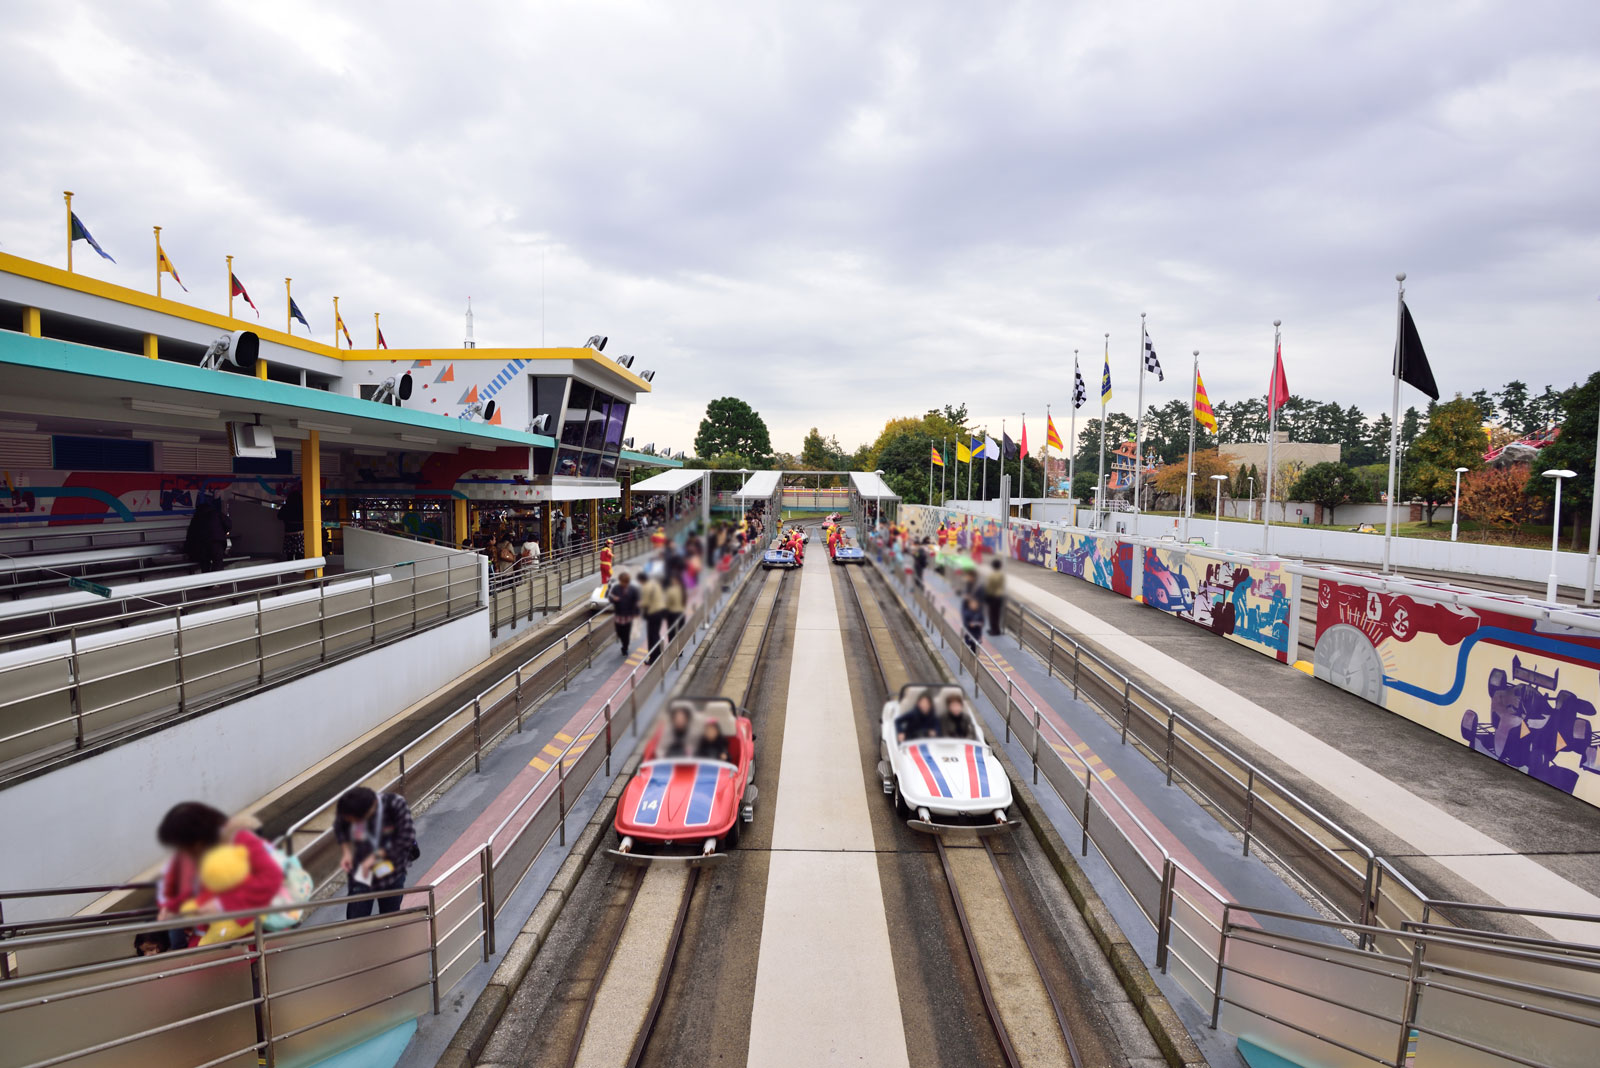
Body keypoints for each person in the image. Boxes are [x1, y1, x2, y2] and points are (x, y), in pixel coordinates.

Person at [156, 802, 284, 948]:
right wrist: (172, 909)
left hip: (250, 932)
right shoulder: (195, 853)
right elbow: (193, 889)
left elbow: (271, 877)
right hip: (211, 934)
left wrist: (221, 904)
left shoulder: (239, 838)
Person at [334, 787, 417, 919]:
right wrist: (346, 852)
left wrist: (375, 857)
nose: (352, 823)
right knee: (355, 920)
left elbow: (406, 838)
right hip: (362, 872)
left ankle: (387, 936)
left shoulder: (395, 804)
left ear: (371, 809)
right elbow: (340, 825)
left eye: (356, 821)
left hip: (392, 870)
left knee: (389, 917)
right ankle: (357, 938)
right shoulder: (350, 807)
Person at [638, 568, 667, 663]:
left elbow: (645, 602)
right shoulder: (655, 584)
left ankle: (653, 658)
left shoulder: (646, 587)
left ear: (641, 580)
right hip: (661, 611)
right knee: (656, 633)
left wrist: (637, 604)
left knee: (652, 635)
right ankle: (658, 653)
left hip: (653, 613)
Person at [608, 571, 640, 656]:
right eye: (622, 582)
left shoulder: (633, 589)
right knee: (619, 632)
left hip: (628, 615)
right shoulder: (616, 588)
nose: (624, 584)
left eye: (625, 582)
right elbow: (610, 598)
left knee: (626, 633)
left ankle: (625, 647)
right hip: (618, 615)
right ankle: (623, 642)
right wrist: (614, 599)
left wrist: (636, 612)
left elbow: (636, 601)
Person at [279, 483, 305, 560]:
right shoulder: (302, 507)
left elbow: (279, 516)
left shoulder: (286, 506)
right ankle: (299, 568)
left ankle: (290, 567)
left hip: (289, 531)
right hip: (300, 531)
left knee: (289, 552)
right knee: (299, 552)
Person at [983, 558, 1006, 636]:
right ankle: (997, 629)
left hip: (993, 596)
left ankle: (994, 630)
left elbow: (990, 587)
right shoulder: (1001, 575)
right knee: (997, 614)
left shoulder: (991, 576)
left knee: (992, 614)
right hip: (1000, 596)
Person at [663, 573, 687, 639]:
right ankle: (681, 649)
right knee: (681, 634)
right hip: (681, 613)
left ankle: (673, 649)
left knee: (672, 635)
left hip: (672, 614)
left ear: (675, 580)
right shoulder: (682, 589)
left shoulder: (671, 590)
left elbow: (667, 603)